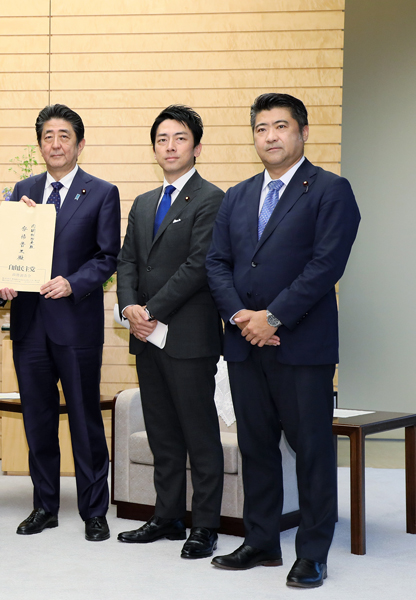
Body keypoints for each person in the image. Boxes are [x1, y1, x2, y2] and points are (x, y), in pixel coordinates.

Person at [206, 93, 360, 588]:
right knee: (256, 448)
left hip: (301, 345)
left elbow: (326, 265)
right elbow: (217, 263)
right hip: (243, 343)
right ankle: (261, 541)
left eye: (280, 126)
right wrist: (241, 317)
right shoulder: (238, 195)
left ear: (303, 132)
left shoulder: (331, 190)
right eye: (261, 128)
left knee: (312, 452)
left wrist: (273, 318)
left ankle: (313, 553)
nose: (270, 136)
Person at [0, 104, 120, 542]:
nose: (55, 144)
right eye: (48, 136)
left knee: (85, 420)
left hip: (76, 325)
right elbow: (10, 251)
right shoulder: (22, 190)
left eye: (64, 136)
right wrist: (3, 284)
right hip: (29, 327)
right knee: (37, 420)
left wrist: (73, 283)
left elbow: (107, 256)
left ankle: (94, 511)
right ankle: (44, 506)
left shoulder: (102, 193)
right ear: (39, 144)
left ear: (80, 144)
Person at [116, 105, 225, 558]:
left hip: (188, 336)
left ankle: (206, 525)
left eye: (179, 138)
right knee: (162, 433)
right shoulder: (144, 202)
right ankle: (167, 517)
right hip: (146, 336)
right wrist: (129, 309)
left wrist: (151, 310)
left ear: (196, 147)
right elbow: (127, 261)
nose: (170, 146)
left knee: (199, 434)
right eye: (162, 139)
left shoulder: (211, 198)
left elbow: (198, 265)